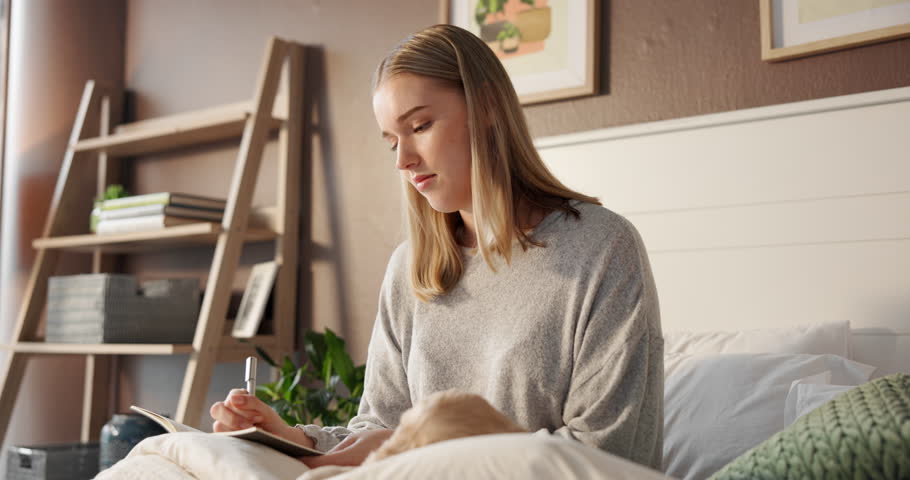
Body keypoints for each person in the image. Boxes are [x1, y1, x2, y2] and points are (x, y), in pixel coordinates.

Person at [210, 23, 664, 471]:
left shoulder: (602, 248)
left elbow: (610, 452)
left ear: (486, 107)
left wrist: (433, 447)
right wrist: (290, 437)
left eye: (420, 126)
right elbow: (382, 429)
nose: (404, 161)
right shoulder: (410, 267)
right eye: (392, 142)